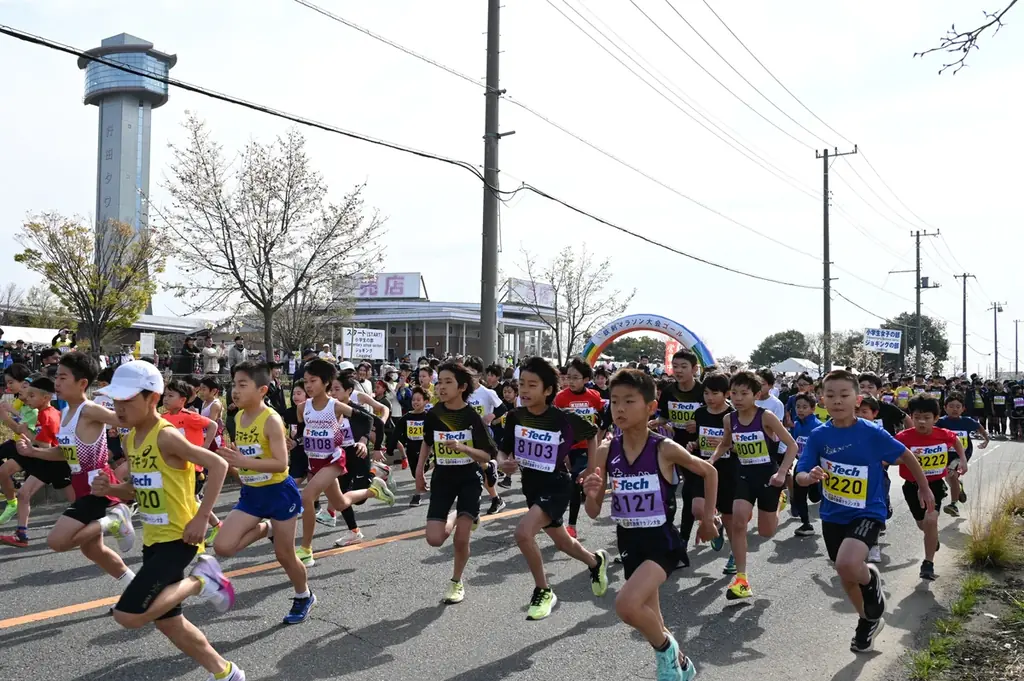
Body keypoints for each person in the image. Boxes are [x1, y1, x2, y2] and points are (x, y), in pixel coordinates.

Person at [94, 360, 244, 681]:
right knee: (168, 622)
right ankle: (228, 673)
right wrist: (114, 489)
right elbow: (140, 486)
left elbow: (217, 465)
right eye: (115, 401)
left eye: (127, 400)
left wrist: (203, 517)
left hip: (181, 537)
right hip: (154, 539)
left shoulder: (167, 436)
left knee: (128, 616)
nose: (118, 408)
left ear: (152, 399)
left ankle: (202, 580)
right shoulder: (130, 439)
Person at [583, 368, 718, 680]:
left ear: (650, 407)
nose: (619, 409)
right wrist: (591, 493)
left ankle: (669, 655)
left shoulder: (664, 448)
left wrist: (708, 520)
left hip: (661, 541)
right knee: (653, 617)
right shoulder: (606, 451)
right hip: (629, 541)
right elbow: (592, 512)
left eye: (629, 401)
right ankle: (680, 665)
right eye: (614, 401)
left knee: (627, 606)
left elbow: (709, 472)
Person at [797, 369, 934, 653]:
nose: (837, 400)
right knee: (845, 572)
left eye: (844, 395)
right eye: (830, 395)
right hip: (833, 513)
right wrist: (808, 476)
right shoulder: (819, 436)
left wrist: (924, 487)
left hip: (868, 511)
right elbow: (800, 472)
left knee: (848, 564)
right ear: (822, 399)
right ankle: (868, 619)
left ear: (857, 399)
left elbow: (905, 454)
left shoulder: (871, 432)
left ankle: (871, 582)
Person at [12, 352, 135, 600]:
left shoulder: (90, 409)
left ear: (82, 383)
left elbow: (130, 421)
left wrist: (128, 445)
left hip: (98, 485)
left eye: (63, 377)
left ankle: (115, 519)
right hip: (82, 485)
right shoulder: (68, 412)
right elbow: (66, 454)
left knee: (58, 541)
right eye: (56, 376)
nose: (56, 382)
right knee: (94, 550)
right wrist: (33, 451)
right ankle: (137, 591)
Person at [498, 357, 609, 620]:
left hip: (557, 484)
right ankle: (595, 562)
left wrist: (591, 469)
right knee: (562, 543)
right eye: (522, 383)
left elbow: (592, 434)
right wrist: (505, 463)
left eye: (532, 385)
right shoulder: (516, 417)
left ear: (548, 390)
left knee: (524, 534)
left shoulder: (562, 418)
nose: (524, 390)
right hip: (531, 486)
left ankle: (543, 590)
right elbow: (503, 450)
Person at [212, 361, 314, 624]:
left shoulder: (270, 419)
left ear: (262, 390)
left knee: (284, 555)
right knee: (222, 546)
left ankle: (304, 595)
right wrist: (233, 464)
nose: (235, 391)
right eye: (234, 384)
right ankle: (267, 528)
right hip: (252, 494)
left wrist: (243, 462)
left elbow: (281, 463)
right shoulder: (236, 417)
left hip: (279, 492)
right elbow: (245, 457)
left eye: (242, 385)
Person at [708, 370, 798, 601]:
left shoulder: (766, 417)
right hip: (744, 475)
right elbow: (726, 444)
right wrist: (711, 460)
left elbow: (792, 446)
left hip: (769, 477)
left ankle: (779, 501)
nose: (737, 398)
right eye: (734, 393)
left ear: (756, 395)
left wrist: (781, 472)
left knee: (767, 531)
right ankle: (741, 579)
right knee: (738, 521)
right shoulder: (730, 419)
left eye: (744, 393)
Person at [295, 359, 394, 566]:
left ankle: (305, 550)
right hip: (315, 461)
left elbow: (368, 419)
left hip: (333, 460)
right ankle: (373, 491)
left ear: (326, 383)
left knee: (307, 496)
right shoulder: (303, 408)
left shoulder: (336, 406)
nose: (308, 386)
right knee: (340, 503)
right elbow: (306, 433)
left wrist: (365, 441)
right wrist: (294, 442)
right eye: (305, 382)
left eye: (313, 381)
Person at [416, 361, 497, 605]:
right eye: (439, 381)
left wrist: (463, 447)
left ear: (462, 387)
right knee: (434, 539)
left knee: (461, 539)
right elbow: (427, 442)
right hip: (442, 479)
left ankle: (456, 582)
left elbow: (488, 455)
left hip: (468, 479)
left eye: (448, 382)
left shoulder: (471, 416)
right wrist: (419, 470)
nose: (441, 387)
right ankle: (457, 514)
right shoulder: (434, 414)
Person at [895, 394, 967, 581]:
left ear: (935, 418)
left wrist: (963, 460)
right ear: (911, 416)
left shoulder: (942, 434)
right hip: (911, 486)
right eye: (917, 417)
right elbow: (888, 458)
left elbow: (956, 441)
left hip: (934, 485)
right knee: (923, 524)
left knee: (932, 519)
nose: (921, 421)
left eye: (927, 417)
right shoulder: (903, 437)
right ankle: (932, 539)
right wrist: (906, 459)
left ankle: (928, 563)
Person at [0, 375, 70, 547]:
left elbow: (45, 444)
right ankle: (21, 535)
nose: (28, 399)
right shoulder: (45, 413)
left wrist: (25, 434)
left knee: (75, 500)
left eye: (32, 396)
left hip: (56, 461)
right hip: (45, 461)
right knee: (24, 494)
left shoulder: (48, 416)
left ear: (45, 398)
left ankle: (94, 525)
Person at [552, 357, 605, 539]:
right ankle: (556, 520)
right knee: (563, 484)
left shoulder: (594, 397)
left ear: (585, 379)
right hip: (567, 448)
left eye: (576, 377)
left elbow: (602, 421)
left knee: (575, 481)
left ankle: (571, 525)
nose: (571, 381)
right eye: (569, 377)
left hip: (586, 448)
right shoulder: (560, 398)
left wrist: (600, 439)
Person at [935, 392, 989, 518]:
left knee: (951, 475)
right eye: (951, 406)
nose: (955, 409)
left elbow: (980, 428)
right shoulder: (940, 423)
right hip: (945, 454)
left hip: (962, 454)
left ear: (963, 409)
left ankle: (953, 505)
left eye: (958, 407)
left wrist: (986, 439)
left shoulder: (967, 421)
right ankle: (959, 487)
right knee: (949, 477)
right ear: (945, 408)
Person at [464, 355, 505, 515]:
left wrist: (492, 416)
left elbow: (502, 408)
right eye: (466, 372)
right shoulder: (463, 392)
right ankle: (496, 499)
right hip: (467, 435)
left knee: (478, 467)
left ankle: (491, 468)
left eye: (472, 372)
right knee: (476, 469)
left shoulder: (487, 393)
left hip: (484, 434)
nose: (469, 375)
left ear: (480, 375)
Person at [387, 386, 429, 506]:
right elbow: (396, 434)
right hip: (411, 448)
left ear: (425, 401)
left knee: (419, 471)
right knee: (415, 472)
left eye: (418, 400)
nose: (415, 402)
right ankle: (423, 480)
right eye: (413, 400)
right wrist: (390, 450)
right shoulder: (406, 418)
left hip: (425, 448)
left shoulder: (429, 417)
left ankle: (417, 495)